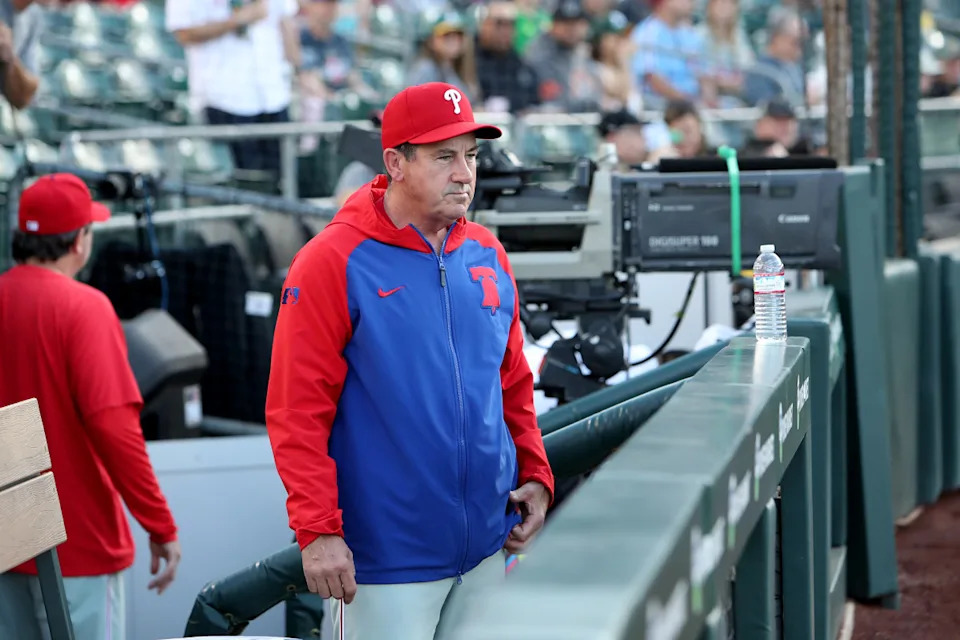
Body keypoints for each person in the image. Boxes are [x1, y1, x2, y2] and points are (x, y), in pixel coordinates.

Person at [265, 81, 555, 639]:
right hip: (383, 563)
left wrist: (536, 473)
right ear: (395, 162)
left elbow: (512, 382)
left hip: (486, 551)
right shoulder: (331, 261)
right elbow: (295, 412)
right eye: (444, 156)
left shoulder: (487, 252)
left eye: (470, 155)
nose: (464, 173)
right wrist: (317, 528)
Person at [0, 174, 181, 640]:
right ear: (80, 241)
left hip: (4, 535)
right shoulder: (85, 307)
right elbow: (114, 429)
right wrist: (159, 524)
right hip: (76, 540)